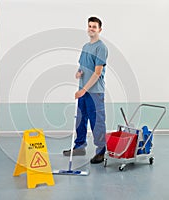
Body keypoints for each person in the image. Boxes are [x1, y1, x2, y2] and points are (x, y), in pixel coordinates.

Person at [63, 16, 108, 164]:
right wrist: (79, 72)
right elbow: (83, 65)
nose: (91, 29)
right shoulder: (85, 47)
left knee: (97, 122)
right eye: (89, 26)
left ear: (99, 30)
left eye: (94, 27)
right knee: (80, 120)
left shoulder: (101, 48)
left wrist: (84, 90)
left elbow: (97, 72)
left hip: (95, 92)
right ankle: (80, 146)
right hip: (83, 90)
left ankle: (101, 151)